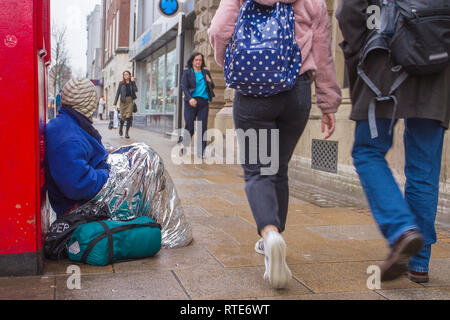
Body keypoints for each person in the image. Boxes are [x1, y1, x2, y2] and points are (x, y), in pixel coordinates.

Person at [208, 0, 341, 288]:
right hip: (297, 92)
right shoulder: (312, 3)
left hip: (254, 94)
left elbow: (219, 31)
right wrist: (328, 103)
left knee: (258, 170)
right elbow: (323, 53)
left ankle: (269, 234)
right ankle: (274, 236)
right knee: (278, 168)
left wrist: (230, 61)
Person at [336, 0, 450, 283]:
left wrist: (358, 51)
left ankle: (401, 230)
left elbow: (348, 11)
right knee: (424, 169)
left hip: (383, 65)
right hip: (436, 62)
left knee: (367, 152)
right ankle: (419, 263)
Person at [45, 78, 110, 217]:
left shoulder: (69, 123)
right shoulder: (69, 138)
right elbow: (78, 184)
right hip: (78, 211)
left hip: (83, 203)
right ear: (88, 103)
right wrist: (109, 174)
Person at [179, 52, 215, 158]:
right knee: (190, 126)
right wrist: (190, 99)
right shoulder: (187, 72)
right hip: (191, 102)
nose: (198, 62)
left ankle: (201, 152)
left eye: (200, 60)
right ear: (192, 61)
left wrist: (210, 81)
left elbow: (212, 86)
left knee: (202, 127)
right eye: (196, 60)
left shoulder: (206, 72)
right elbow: (183, 86)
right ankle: (184, 144)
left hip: (203, 102)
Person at [113, 71, 138, 139]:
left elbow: (135, 90)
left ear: (129, 75)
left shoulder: (131, 83)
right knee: (123, 117)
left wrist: (133, 82)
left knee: (128, 116)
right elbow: (118, 93)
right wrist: (114, 103)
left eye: (127, 74)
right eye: (124, 74)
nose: (125, 75)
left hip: (130, 101)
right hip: (123, 102)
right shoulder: (121, 83)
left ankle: (127, 133)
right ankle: (121, 127)